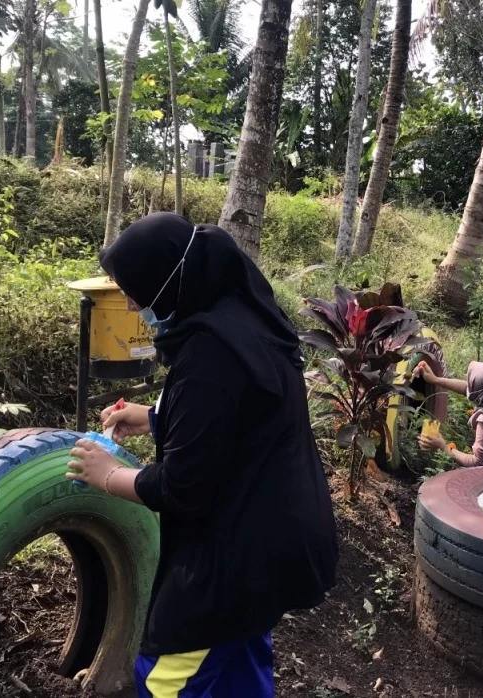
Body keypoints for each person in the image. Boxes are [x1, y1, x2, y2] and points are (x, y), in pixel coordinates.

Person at [65, 213, 339, 698]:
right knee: (238, 666)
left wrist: (107, 476)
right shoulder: (244, 322)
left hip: (234, 558)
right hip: (275, 537)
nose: (130, 301)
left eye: (136, 288)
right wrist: (153, 416)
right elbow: (244, 415)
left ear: (171, 281)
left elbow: (183, 487)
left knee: (165, 677)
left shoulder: (210, 355)